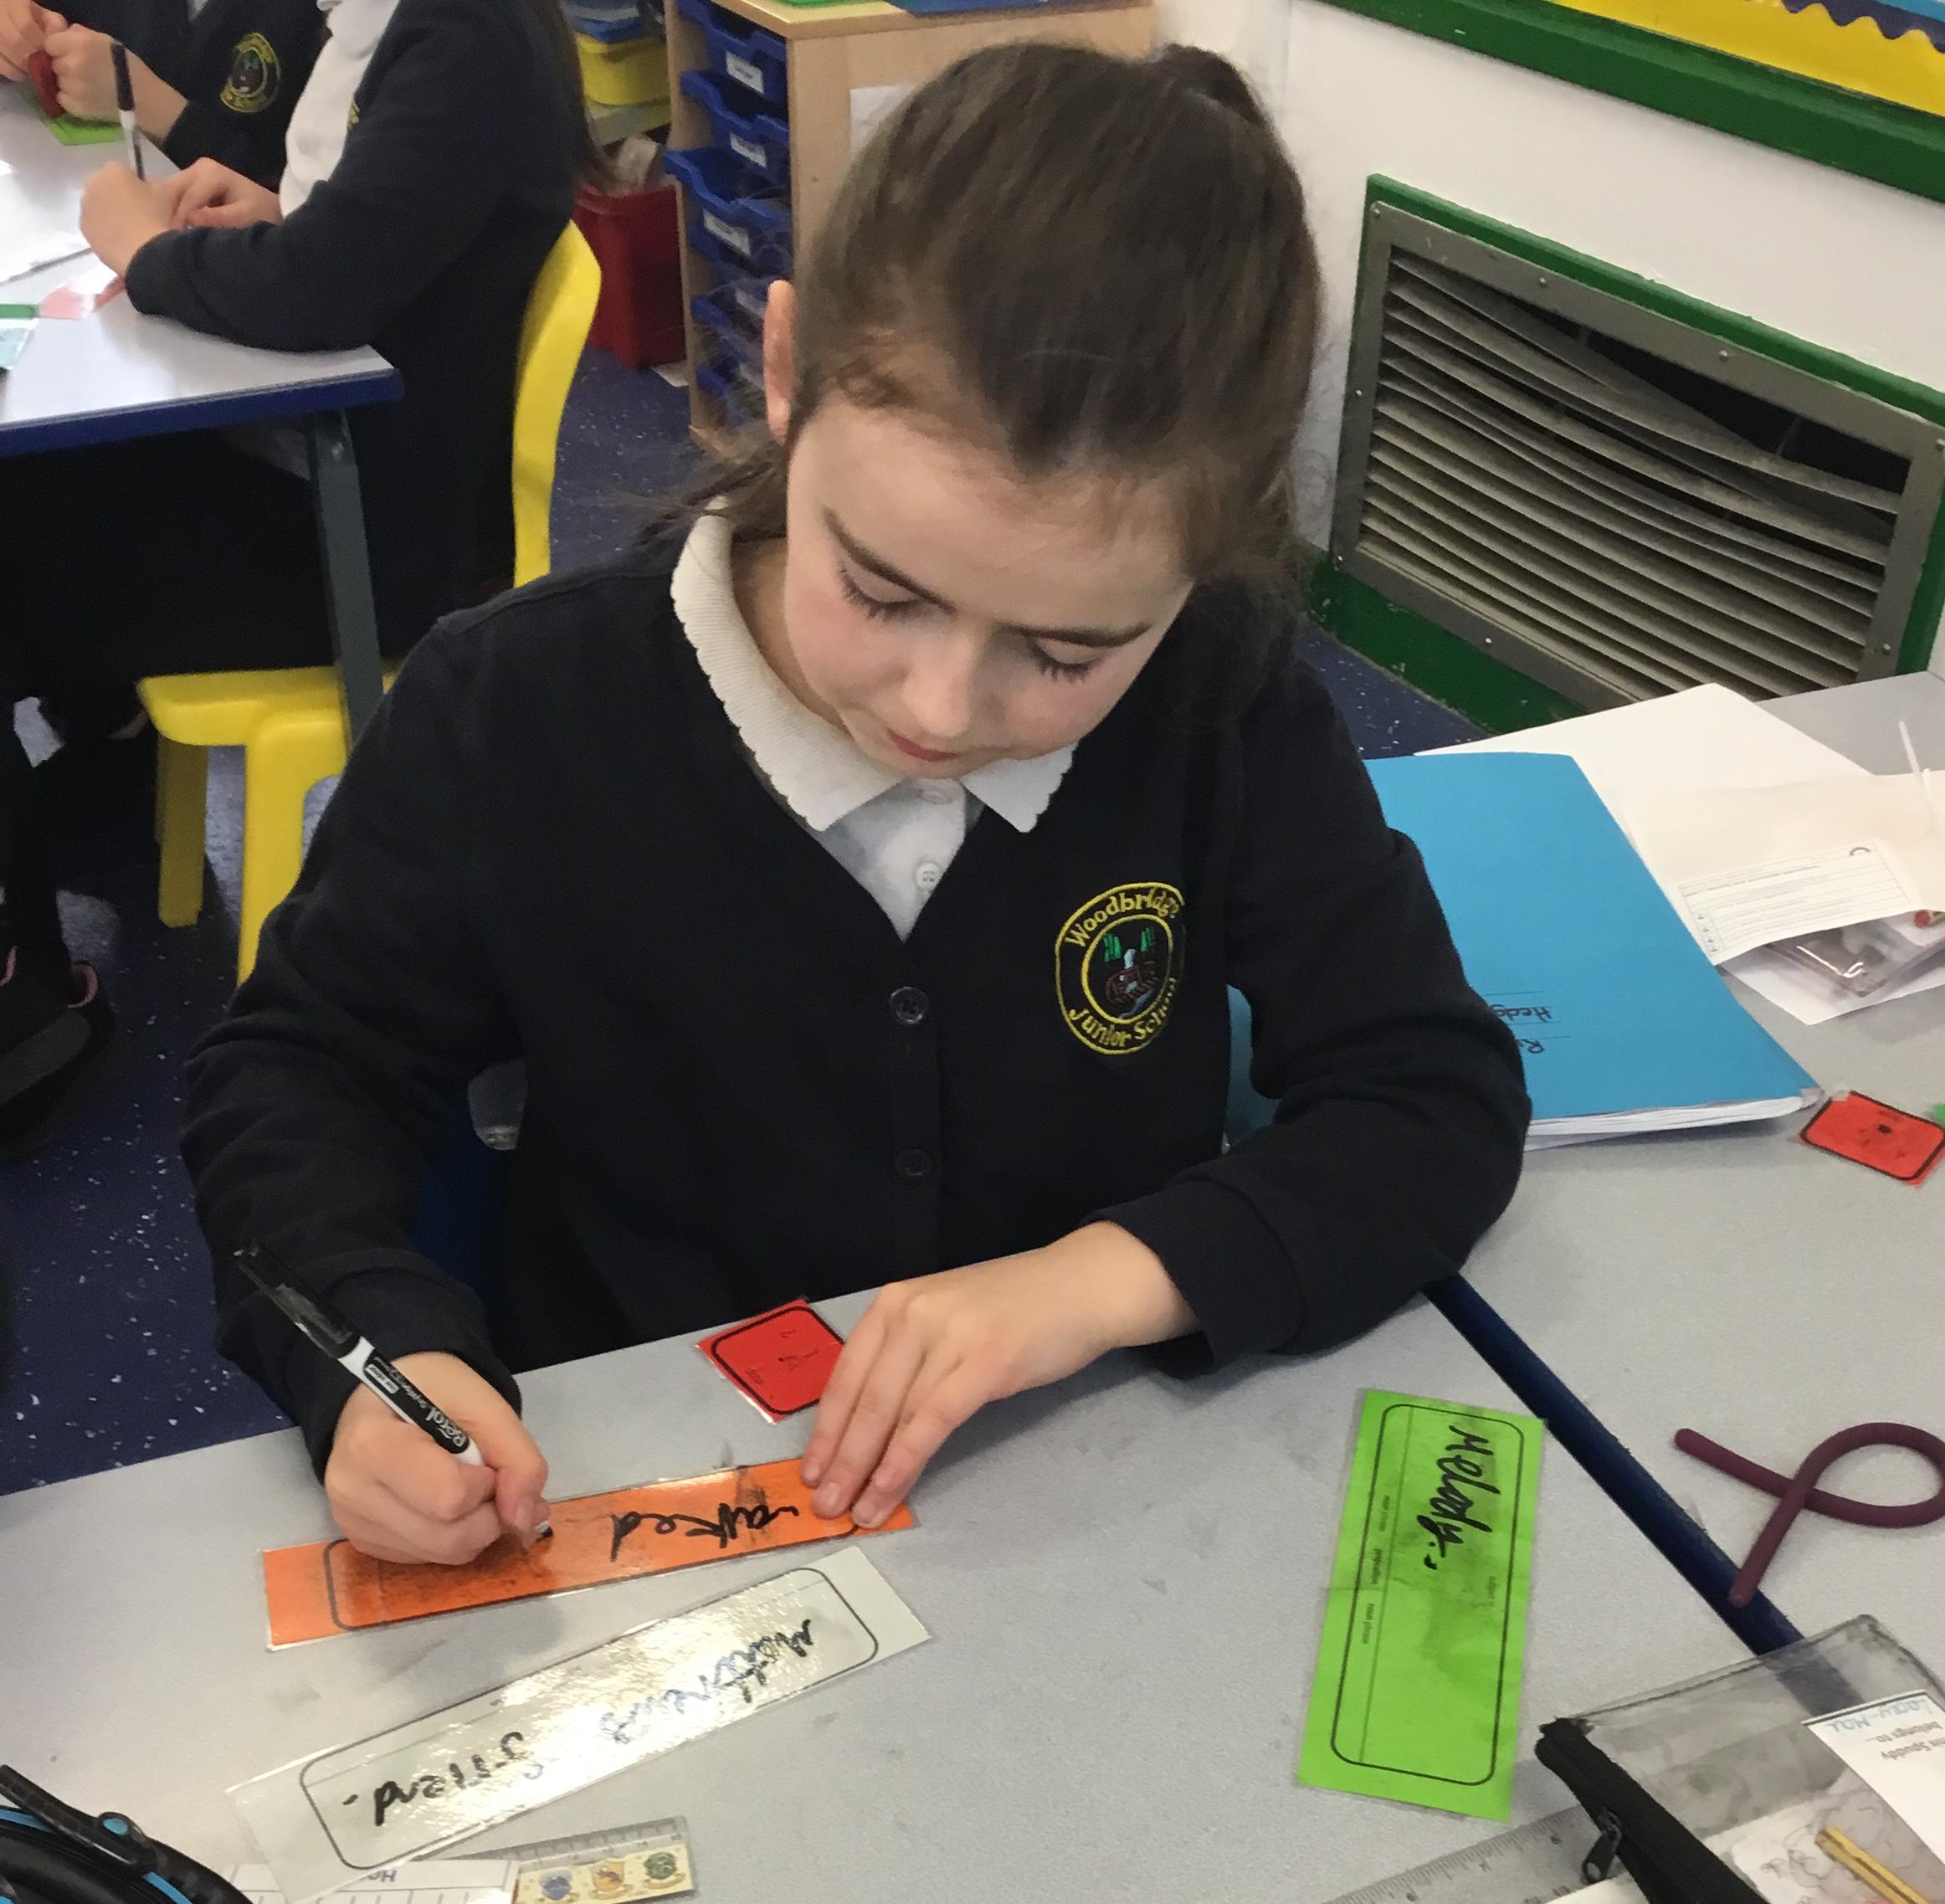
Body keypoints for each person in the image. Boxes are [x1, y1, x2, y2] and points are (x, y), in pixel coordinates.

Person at [180, 42, 1531, 1560]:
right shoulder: (514, 708)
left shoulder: (1220, 695)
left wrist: (1095, 1281)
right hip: (638, 1483)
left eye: (1066, 653)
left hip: (1086, 1482)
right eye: (881, 592)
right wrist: (375, 1354)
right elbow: (298, 1074)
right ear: (782, 371)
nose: (941, 711)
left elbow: (1430, 1092)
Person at [0, 0, 586, 1157]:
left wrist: (144, 247)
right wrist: (273, 208)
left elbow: (320, 290)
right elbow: (374, 224)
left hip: (361, 534)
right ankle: (93, 791)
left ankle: (27, 1029)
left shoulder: (466, 35)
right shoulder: (399, 22)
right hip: (314, 463)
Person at [0, 0, 324, 188]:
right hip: (66, 199)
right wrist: (19, 28)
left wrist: (153, 106)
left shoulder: (331, 19)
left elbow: (305, 207)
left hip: (211, 254)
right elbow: (40, 17)